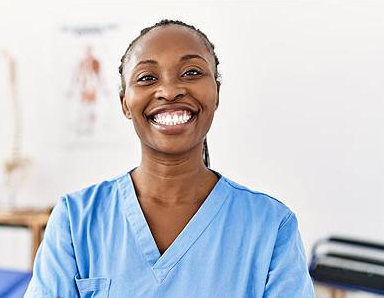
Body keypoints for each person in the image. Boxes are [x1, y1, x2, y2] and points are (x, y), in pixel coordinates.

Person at [25, 19, 315, 297]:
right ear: (125, 103)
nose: (169, 90)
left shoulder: (271, 226)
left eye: (191, 72)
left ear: (216, 93)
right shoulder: (76, 220)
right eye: (147, 78)